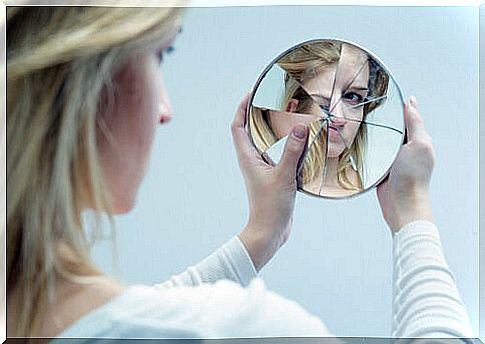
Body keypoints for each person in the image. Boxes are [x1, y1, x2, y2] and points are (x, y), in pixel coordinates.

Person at [6, 5, 474, 340]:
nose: (165, 109)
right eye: (160, 54)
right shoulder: (255, 330)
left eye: (354, 98)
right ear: (85, 76)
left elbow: (129, 319)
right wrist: (413, 212)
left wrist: (262, 234)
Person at [250, 40, 390, 198]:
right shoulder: (263, 180)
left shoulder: (376, 188)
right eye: (324, 104)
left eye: (353, 97)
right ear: (292, 109)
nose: (338, 117)